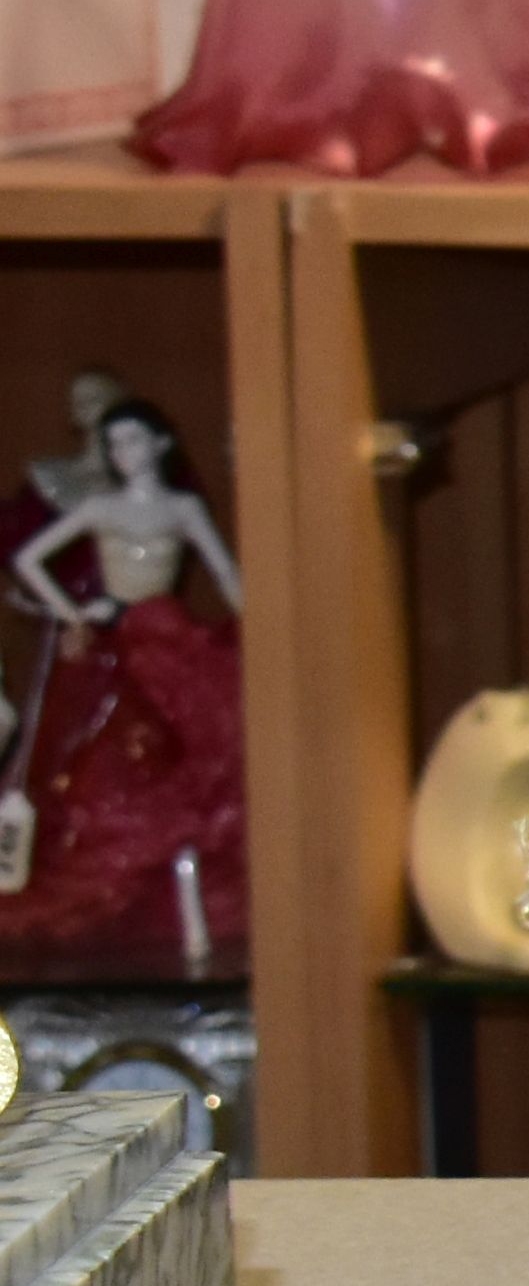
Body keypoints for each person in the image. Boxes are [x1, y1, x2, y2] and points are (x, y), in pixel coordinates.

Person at [3, 387, 251, 972]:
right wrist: (70, 611)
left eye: (134, 439)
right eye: (114, 443)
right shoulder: (101, 509)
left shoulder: (183, 510)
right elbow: (29, 559)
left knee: (208, 755)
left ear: (160, 444)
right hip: (116, 641)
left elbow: (223, 570)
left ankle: (193, 918)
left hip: (168, 637)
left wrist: (253, 631)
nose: (124, 452)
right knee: (95, 772)